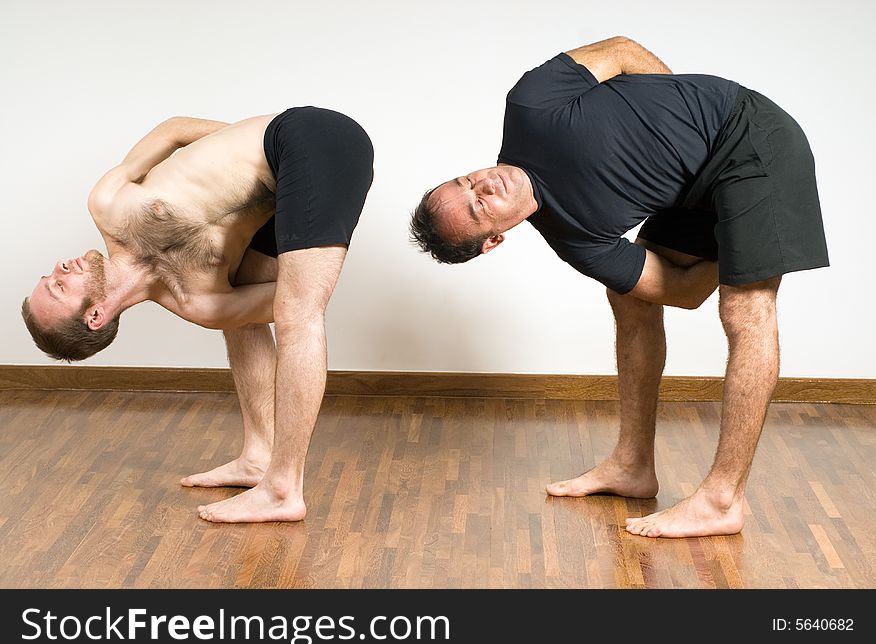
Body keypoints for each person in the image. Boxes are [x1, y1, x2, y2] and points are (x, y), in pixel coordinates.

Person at [410, 36, 829, 538]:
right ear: (495, 239)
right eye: (479, 205)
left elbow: (623, 51)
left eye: (465, 180)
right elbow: (681, 290)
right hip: (696, 190)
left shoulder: (529, 104)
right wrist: (740, 245)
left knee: (746, 309)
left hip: (748, 136)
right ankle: (633, 464)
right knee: (629, 296)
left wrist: (673, 114)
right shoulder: (577, 240)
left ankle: (722, 499)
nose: (485, 184)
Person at [22, 107, 374, 523]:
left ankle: (279, 483)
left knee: (296, 309)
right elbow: (294, 296)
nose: (60, 268)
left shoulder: (106, 203)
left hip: (299, 139)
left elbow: (172, 130)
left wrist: (254, 145)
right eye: (58, 287)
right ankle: (263, 463)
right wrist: (307, 268)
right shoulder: (201, 303)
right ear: (96, 316)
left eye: (52, 275)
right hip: (288, 192)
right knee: (270, 315)